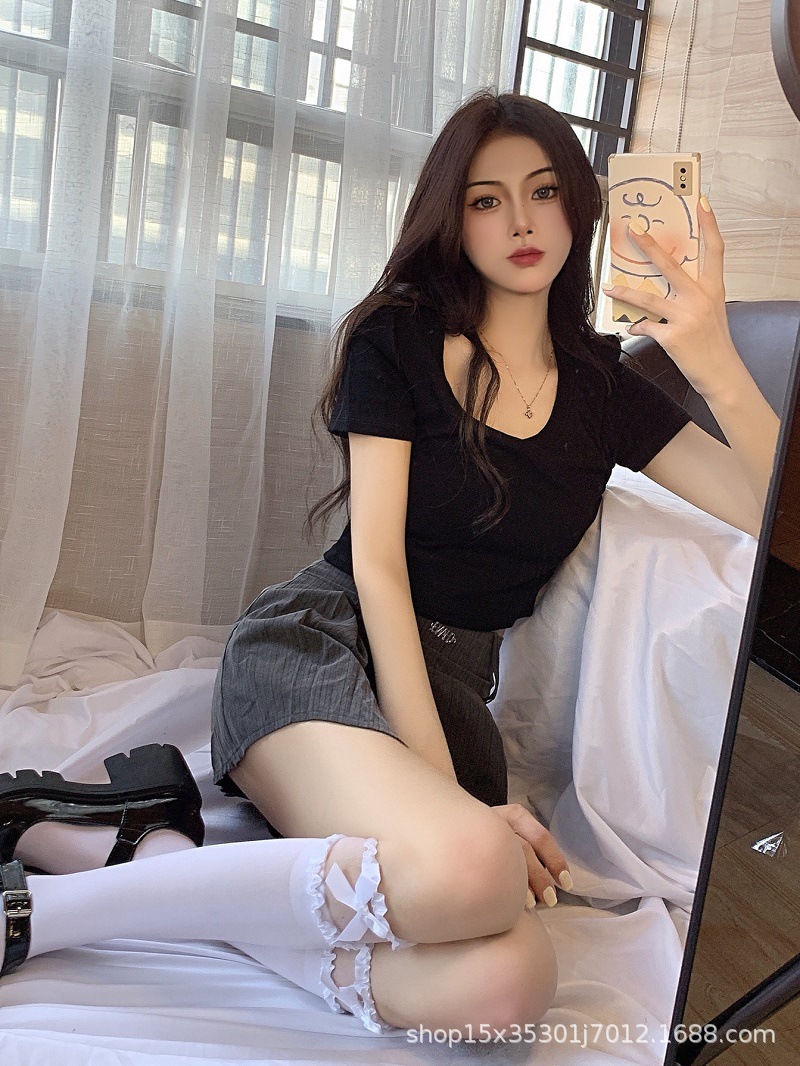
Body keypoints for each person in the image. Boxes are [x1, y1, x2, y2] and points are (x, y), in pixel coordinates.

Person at [0, 88, 779, 1036]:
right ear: (453, 218)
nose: (521, 221)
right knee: (478, 868)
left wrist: (711, 353)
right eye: (487, 199)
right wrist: (449, 796)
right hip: (323, 644)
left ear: (580, 205)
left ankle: (143, 852)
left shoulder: (605, 390)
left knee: (508, 989)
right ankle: (37, 918)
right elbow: (378, 570)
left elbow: (765, 509)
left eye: (543, 191)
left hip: (449, 697)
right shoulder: (400, 337)